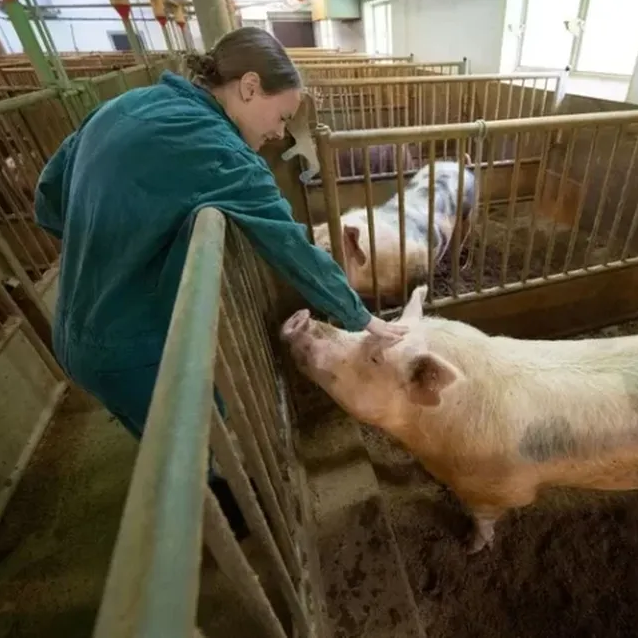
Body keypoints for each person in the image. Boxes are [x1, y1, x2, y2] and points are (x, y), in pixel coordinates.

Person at [33, 27, 406, 532]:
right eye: (281, 116)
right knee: (198, 436)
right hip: (131, 348)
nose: (279, 133)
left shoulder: (127, 104)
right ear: (249, 87)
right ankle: (227, 519)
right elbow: (291, 245)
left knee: (158, 435)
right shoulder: (221, 152)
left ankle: (212, 497)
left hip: (72, 326)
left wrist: (101, 246)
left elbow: (49, 193)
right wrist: (360, 317)